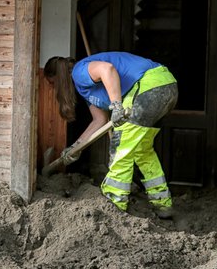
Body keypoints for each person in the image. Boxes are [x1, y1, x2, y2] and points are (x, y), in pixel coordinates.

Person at [44, 52, 178, 217]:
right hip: (166, 87)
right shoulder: (87, 90)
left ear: (58, 77)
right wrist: (75, 147)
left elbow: (107, 69)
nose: (53, 89)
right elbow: (99, 120)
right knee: (143, 152)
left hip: (148, 88)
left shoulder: (79, 72)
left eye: (52, 84)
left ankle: (113, 208)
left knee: (120, 148)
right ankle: (163, 205)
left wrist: (116, 105)